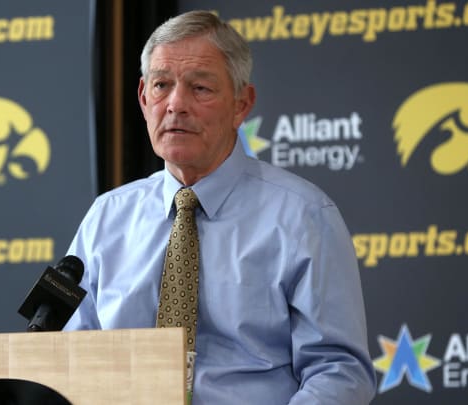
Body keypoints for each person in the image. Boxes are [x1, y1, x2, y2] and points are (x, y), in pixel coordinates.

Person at [63, 10, 376, 404]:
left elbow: (339, 372)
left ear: (242, 104)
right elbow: (69, 360)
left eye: (200, 89)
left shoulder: (303, 216)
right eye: (162, 85)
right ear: (144, 99)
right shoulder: (106, 218)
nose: (176, 104)